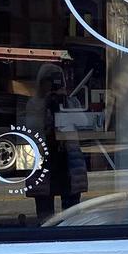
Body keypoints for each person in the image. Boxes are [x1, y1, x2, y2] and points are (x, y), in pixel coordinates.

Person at [24, 62, 88, 221]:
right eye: (49, 80)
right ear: (41, 81)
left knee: (72, 212)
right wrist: (44, 103)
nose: (52, 84)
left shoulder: (71, 102)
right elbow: (31, 127)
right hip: (44, 159)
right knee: (45, 213)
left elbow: (83, 122)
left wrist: (65, 102)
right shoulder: (34, 103)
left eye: (57, 80)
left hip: (68, 159)